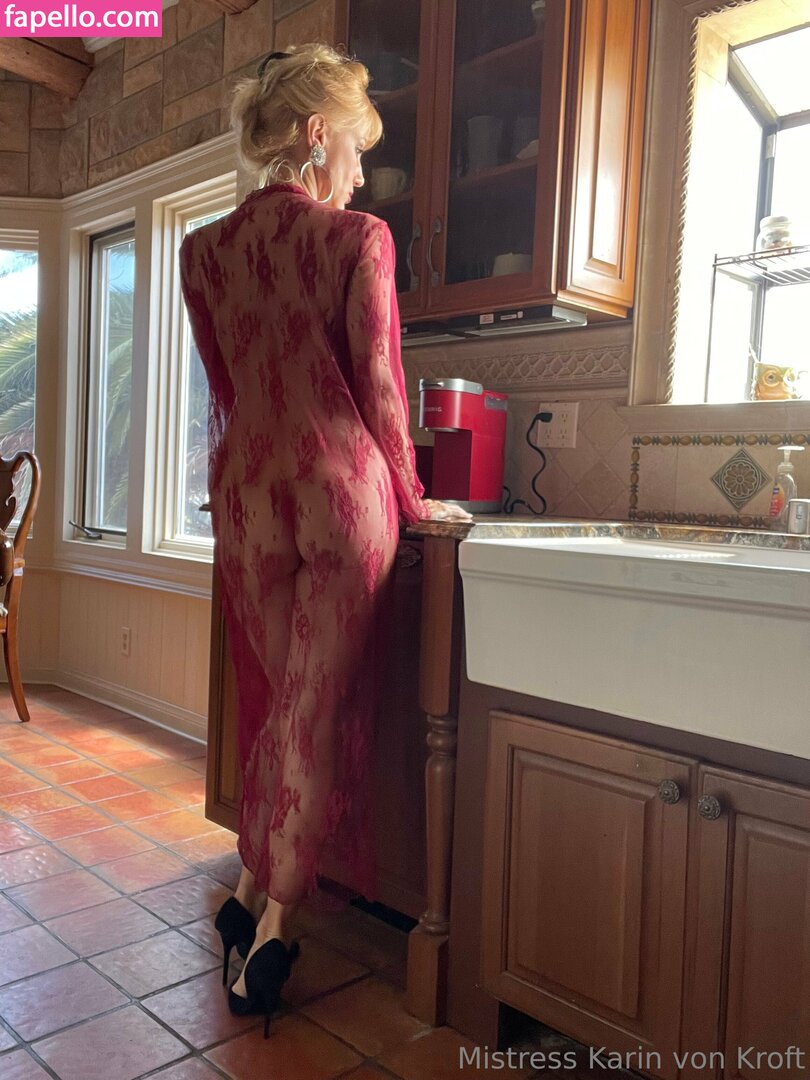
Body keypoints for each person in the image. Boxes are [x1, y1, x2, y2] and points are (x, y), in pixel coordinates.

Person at [179, 42, 471, 1034]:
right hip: (340, 493)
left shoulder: (201, 252)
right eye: (354, 147)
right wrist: (417, 500)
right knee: (309, 718)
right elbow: (380, 391)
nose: (358, 172)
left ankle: (251, 895)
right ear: (315, 134)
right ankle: (272, 935)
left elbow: (229, 386)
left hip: (247, 496)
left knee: (280, 713)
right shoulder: (361, 239)